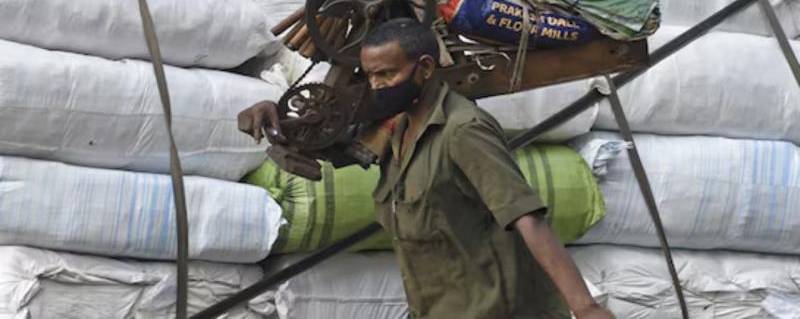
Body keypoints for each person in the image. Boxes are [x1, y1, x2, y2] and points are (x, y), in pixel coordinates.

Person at [238, 18, 615, 319]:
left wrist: (585, 308)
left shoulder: (463, 130)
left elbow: (526, 217)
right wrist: (277, 120)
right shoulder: (393, 128)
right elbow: (332, 148)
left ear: (425, 68)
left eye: (387, 74)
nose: (376, 86)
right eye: (370, 76)